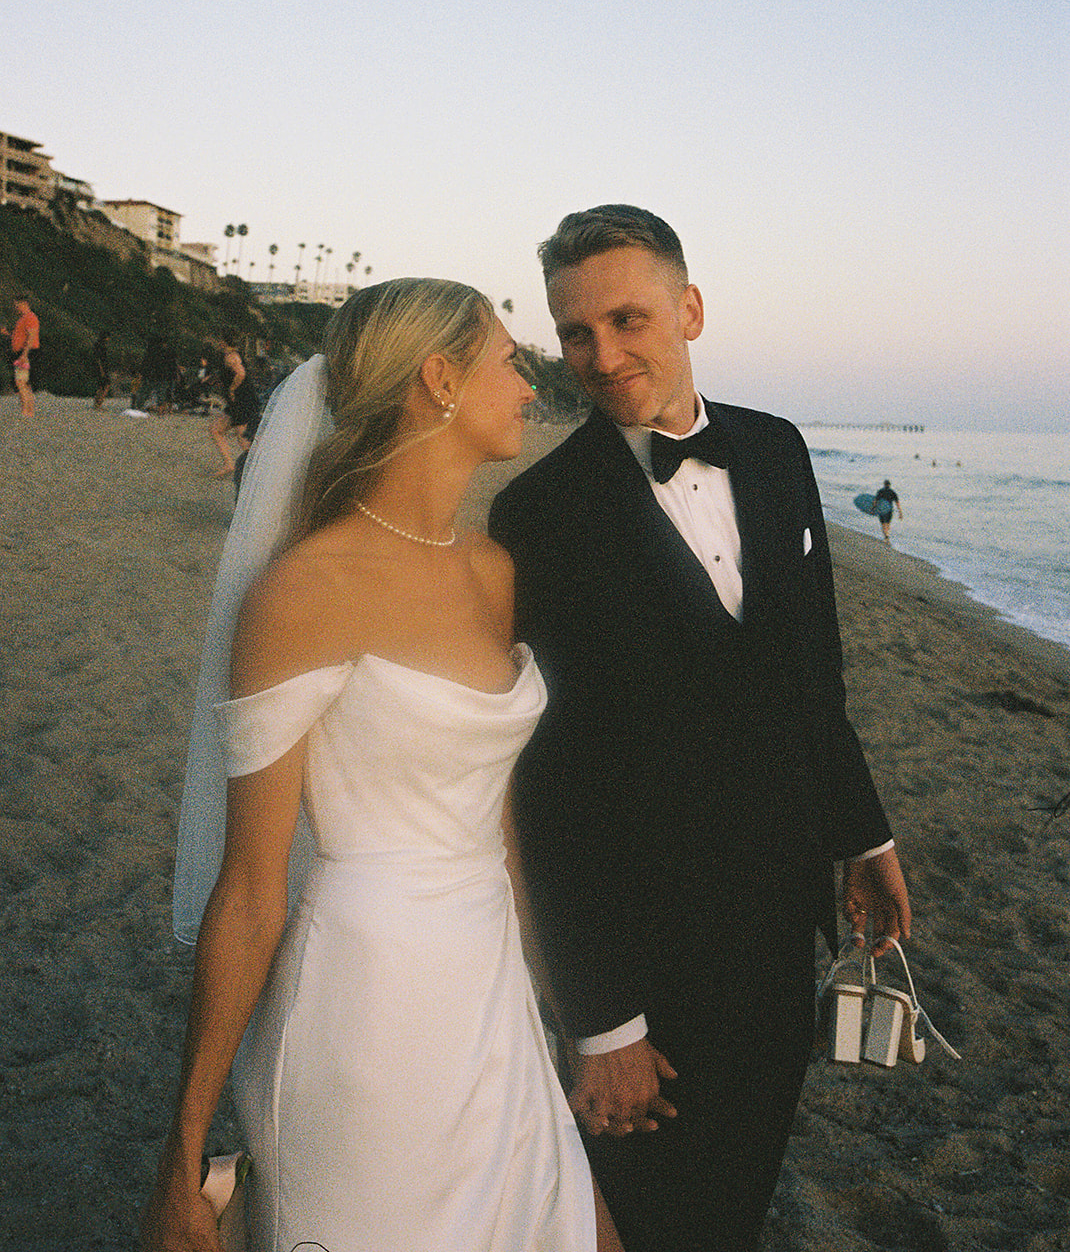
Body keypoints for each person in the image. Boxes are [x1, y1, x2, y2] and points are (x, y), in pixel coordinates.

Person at [144, 279, 621, 1252]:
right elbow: (248, 888)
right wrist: (182, 1143)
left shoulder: (491, 573)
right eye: (505, 358)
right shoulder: (302, 592)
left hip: (489, 994)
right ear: (439, 379)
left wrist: (556, 1006)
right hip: (366, 1006)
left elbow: (495, 822)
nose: (526, 382)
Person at [488, 206, 911, 1252]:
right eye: (573, 332)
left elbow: (814, 676)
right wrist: (600, 1019)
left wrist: (862, 838)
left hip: (776, 933)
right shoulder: (537, 516)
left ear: (690, 309)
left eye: (626, 319)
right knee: (646, 1215)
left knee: (736, 1201)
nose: (600, 353)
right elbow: (548, 791)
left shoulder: (773, 450)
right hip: (645, 962)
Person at [208, 335, 261, 477]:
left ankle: (254, 470)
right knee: (216, 429)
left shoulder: (231, 356)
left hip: (241, 400)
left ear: (223, 341)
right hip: (239, 401)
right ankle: (230, 464)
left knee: (242, 436)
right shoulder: (231, 355)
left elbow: (241, 373)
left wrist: (232, 389)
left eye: (218, 340)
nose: (217, 343)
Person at [2, 295, 40, 418]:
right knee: (24, 382)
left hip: (25, 353)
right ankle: (29, 411)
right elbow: (20, 336)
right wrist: (7, 334)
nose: (16, 307)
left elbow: (31, 336)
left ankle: (26, 411)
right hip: (22, 352)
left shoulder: (30, 317)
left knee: (20, 381)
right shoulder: (23, 318)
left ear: (23, 303)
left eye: (17, 304)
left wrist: (24, 354)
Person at [92, 330, 112, 410]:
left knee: (101, 386)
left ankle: (97, 403)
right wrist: (102, 370)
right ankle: (99, 403)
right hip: (102, 368)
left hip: (99, 368)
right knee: (106, 385)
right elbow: (99, 359)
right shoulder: (102, 346)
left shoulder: (97, 345)